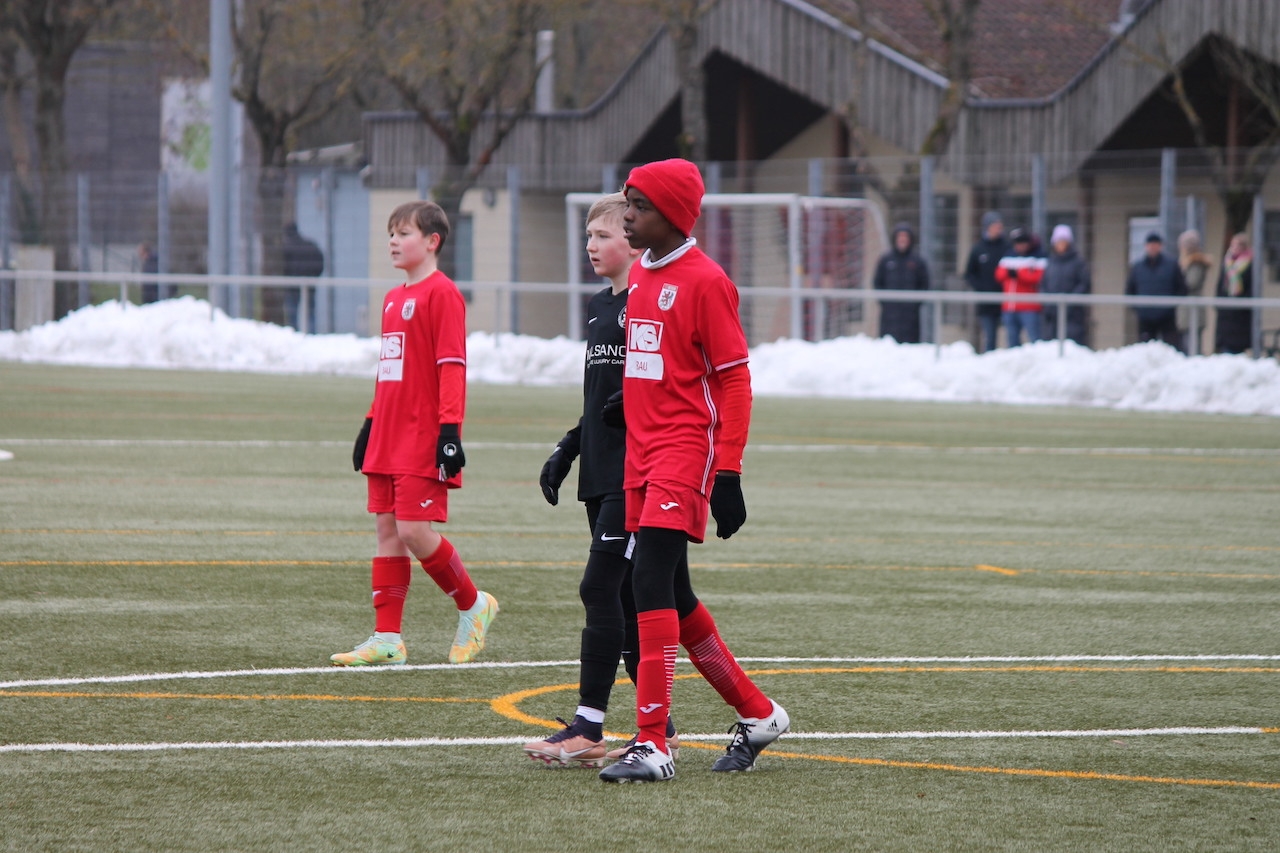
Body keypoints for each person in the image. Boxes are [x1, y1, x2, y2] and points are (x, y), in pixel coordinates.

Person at [597, 158, 789, 784]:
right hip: (641, 453)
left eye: (639, 206)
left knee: (646, 582)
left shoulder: (706, 281)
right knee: (669, 596)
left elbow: (734, 381)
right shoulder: (644, 278)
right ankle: (758, 714)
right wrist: (627, 399)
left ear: (673, 216)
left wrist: (728, 473)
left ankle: (653, 742)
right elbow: (663, 360)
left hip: (685, 449)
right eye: (627, 202)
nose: (627, 215)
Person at [522, 193, 683, 767]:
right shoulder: (598, 306)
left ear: (635, 239)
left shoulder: (647, 301)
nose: (592, 246)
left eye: (605, 235)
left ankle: (590, 726)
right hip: (601, 470)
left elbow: (662, 389)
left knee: (601, 587)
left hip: (639, 473)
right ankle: (658, 722)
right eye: (588, 236)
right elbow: (600, 401)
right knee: (631, 596)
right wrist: (569, 448)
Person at [333, 200, 497, 667]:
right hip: (388, 430)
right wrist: (369, 422)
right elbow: (389, 371)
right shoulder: (391, 299)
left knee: (413, 530)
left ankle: (473, 604)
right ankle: (387, 638)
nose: (392, 240)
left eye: (402, 233)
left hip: (422, 434)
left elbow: (452, 368)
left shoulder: (442, 295)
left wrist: (450, 431)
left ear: (432, 241)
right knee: (386, 529)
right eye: (390, 232)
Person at [1125, 231, 1186, 347]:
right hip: (1145, 318)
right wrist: (1139, 308)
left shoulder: (1171, 265)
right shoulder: (1137, 267)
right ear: (1145, 246)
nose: (1152, 248)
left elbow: (1182, 288)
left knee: (1171, 349)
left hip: (1167, 317)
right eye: (1150, 245)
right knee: (1145, 351)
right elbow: (1130, 290)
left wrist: (1171, 305)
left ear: (1160, 246)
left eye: (1155, 244)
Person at [872, 222, 930, 344]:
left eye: (905, 237)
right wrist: (885, 302)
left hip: (910, 317)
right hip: (889, 316)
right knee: (888, 346)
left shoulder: (917, 261)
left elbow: (925, 284)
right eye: (900, 237)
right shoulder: (886, 260)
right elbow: (877, 282)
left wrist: (915, 304)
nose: (902, 240)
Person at [965, 210, 1010, 353]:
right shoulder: (979, 249)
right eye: (996, 225)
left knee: (1010, 335)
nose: (999, 228)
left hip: (1006, 300)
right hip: (986, 302)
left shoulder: (1007, 248)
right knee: (989, 337)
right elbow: (969, 274)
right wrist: (981, 288)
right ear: (988, 227)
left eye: (1000, 225)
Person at [1040, 224, 1091, 346]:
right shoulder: (1050, 262)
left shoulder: (1078, 262)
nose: (1060, 244)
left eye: (1063, 241)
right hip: (1052, 315)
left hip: (1073, 315)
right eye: (1058, 241)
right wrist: (1048, 302)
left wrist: (1070, 301)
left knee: (1072, 346)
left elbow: (1084, 284)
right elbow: (1043, 284)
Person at [995, 228, 1045, 347]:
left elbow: (1038, 277)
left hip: (1029, 306)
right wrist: (1013, 273)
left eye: (1023, 243)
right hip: (1010, 306)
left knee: (1034, 339)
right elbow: (999, 275)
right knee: (1012, 341)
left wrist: (1018, 274)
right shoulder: (1008, 256)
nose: (1020, 246)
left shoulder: (1037, 257)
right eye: (1017, 243)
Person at [1214, 232, 1254, 355]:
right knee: (1226, 352)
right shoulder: (1227, 263)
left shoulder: (1249, 265)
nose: (1234, 248)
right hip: (1225, 317)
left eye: (1237, 245)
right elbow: (1220, 286)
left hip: (1240, 318)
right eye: (1233, 245)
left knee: (1237, 352)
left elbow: (1250, 290)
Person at [283, 222, 325, 332]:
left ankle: (294, 333)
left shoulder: (288, 248)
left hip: (293, 286)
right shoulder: (310, 245)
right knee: (310, 311)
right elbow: (320, 262)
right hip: (310, 283)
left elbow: (284, 267)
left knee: (293, 312)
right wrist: (314, 277)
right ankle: (311, 333)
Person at [1177, 230, 1213, 354]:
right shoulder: (1187, 263)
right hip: (1187, 311)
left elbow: (1191, 283)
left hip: (1192, 311)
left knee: (1192, 347)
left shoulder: (1195, 264)